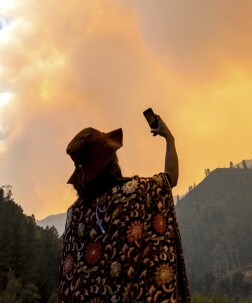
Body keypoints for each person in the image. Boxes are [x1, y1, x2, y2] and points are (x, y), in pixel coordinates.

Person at [57, 114, 190, 302]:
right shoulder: (135, 193)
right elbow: (170, 178)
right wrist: (169, 138)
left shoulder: (75, 214)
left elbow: (69, 280)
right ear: (111, 161)